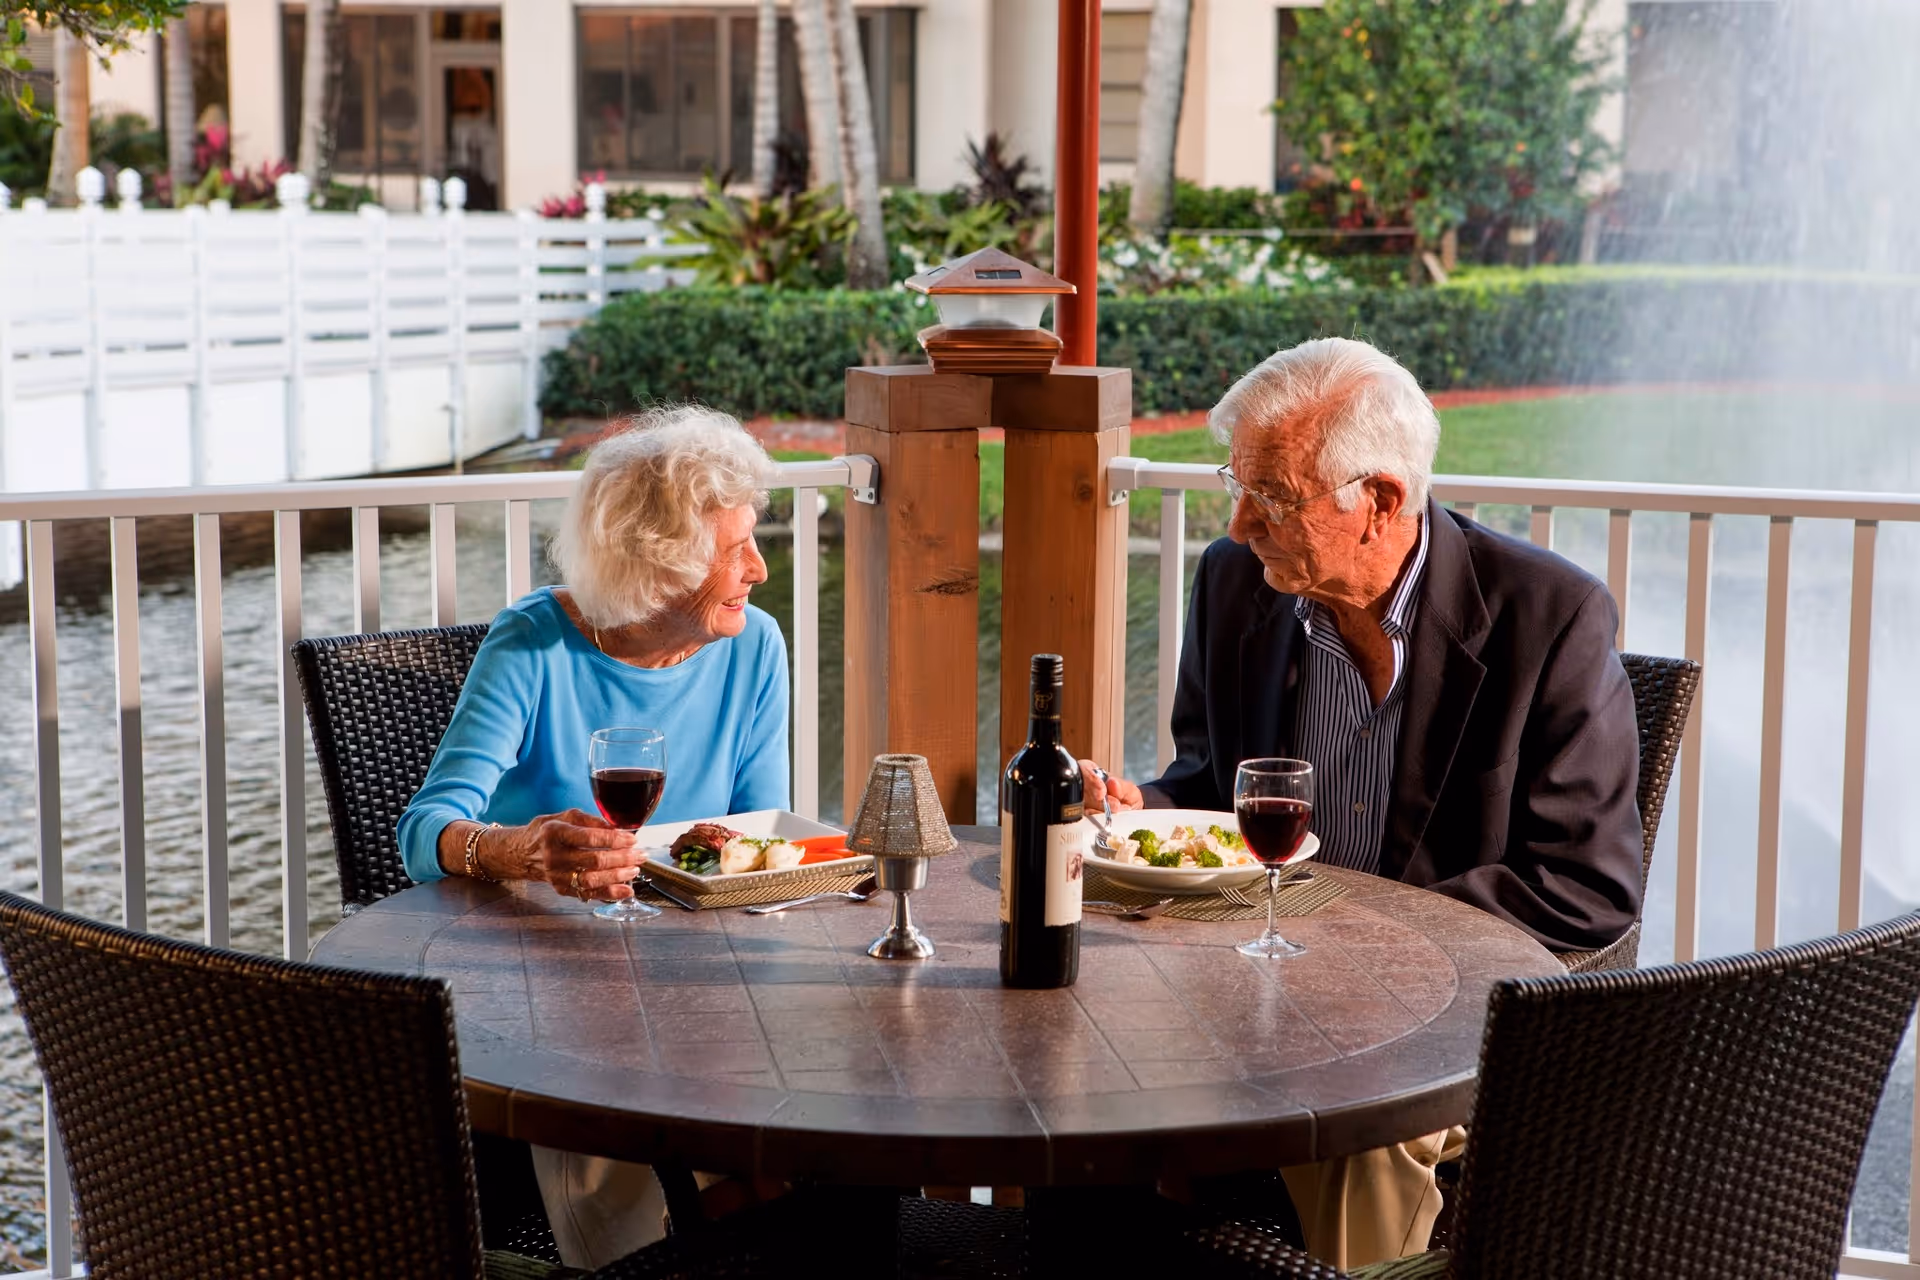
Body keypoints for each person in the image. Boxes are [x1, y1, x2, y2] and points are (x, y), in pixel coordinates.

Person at [1081, 337, 1643, 1269]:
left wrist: (1348, 934)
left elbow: (1585, 889)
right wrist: (1146, 807)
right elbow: (1212, 782)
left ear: (1378, 502)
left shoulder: (1551, 620)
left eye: (1269, 497)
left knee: (1357, 1130)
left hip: (1448, 1027)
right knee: (1082, 1057)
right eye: (1238, 485)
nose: (1235, 524)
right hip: (1245, 992)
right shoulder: (1237, 587)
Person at [397, 406, 789, 1268]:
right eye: (735, 550)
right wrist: (516, 849)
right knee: (626, 1143)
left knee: (814, 1117)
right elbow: (422, 831)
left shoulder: (756, 646)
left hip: (698, 976)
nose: (760, 570)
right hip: (544, 980)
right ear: (660, 561)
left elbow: (764, 841)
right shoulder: (534, 644)